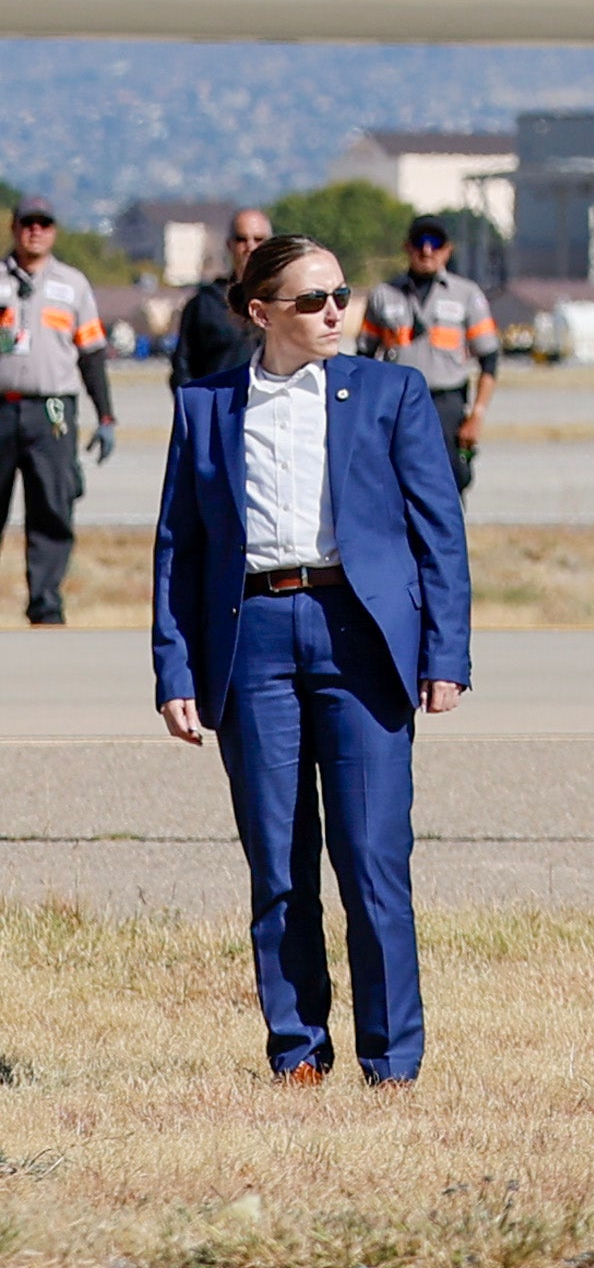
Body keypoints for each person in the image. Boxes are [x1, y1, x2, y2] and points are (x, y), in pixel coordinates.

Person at [150, 229, 470, 1085]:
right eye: (312, 301)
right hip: (252, 638)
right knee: (279, 861)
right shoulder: (206, 406)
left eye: (340, 296)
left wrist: (446, 653)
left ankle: (392, 1062)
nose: (334, 312)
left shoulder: (390, 393)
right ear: (261, 313)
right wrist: (174, 669)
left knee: (371, 858)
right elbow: (179, 547)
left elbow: (441, 534)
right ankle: (298, 1054)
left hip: (360, 637)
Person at [4, 200, 116, 627]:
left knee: (52, 503)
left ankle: (46, 603)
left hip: (52, 406)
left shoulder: (72, 285)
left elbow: (91, 354)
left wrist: (105, 416)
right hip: (2, 403)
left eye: (43, 224)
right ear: (14, 228)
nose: (35, 231)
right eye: (27, 223)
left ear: (53, 232)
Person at [361, 217, 502, 496]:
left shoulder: (467, 295)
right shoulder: (384, 295)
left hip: (445, 403)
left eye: (435, 244)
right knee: (393, 484)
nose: (427, 251)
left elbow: (489, 359)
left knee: (448, 483)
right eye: (419, 243)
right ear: (406, 248)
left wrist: (477, 415)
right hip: (395, 404)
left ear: (448, 250)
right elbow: (364, 358)